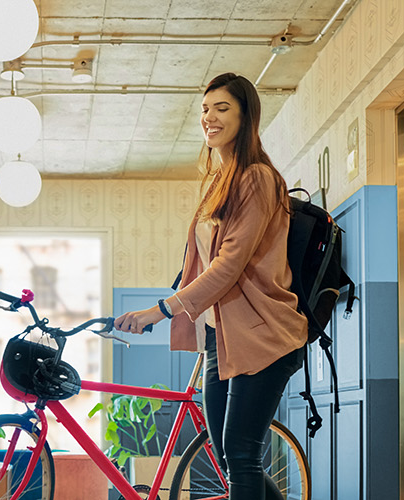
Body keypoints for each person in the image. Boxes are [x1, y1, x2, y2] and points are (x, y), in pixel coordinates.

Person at [113, 73, 307, 500]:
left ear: (246, 116)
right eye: (205, 109)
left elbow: (228, 266)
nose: (209, 118)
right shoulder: (217, 183)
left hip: (264, 335)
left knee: (240, 456)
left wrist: (158, 312)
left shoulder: (257, 178)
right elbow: (199, 265)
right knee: (230, 459)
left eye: (221, 108)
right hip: (221, 339)